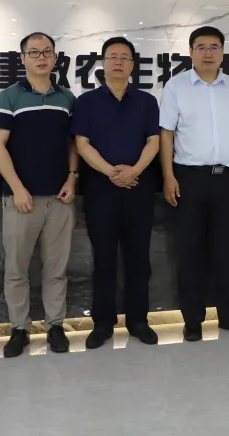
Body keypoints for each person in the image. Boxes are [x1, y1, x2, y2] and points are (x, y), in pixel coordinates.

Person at [159, 26, 229, 341]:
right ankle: (193, 319)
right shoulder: (176, 87)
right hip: (188, 179)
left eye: (214, 47)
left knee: (223, 252)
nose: (207, 53)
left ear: (222, 52)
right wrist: (168, 176)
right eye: (200, 47)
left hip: (227, 179)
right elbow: (166, 134)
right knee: (189, 252)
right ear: (191, 52)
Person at [0, 32, 79, 357]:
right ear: (22, 59)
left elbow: (73, 143)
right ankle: (19, 329)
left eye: (47, 52)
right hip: (20, 199)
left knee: (57, 268)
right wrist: (17, 188)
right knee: (17, 269)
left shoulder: (67, 98)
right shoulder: (8, 97)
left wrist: (72, 177)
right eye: (34, 52)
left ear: (55, 58)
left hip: (60, 198)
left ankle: (55, 326)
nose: (41, 58)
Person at [73, 36, 161, 349]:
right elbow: (82, 144)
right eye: (113, 57)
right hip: (101, 190)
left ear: (133, 65)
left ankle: (138, 321)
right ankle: (102, 323)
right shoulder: (86, 102)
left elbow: (154, 141)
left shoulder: (147, 101)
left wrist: (134, 171)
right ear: (103, 63)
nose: (119, 62)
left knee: (139, 258)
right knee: (104, 258)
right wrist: (112, 172)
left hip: (139, 188)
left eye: (125, 57)